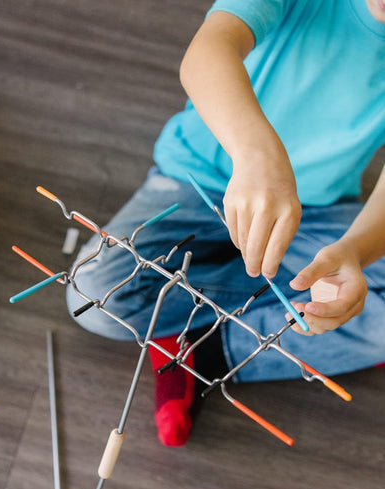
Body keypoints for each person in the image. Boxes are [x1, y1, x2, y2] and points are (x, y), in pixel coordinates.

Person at [66, 0, 385, 446]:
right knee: (96, 292)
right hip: (197, 177)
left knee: (359, 296)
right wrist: (257, 156)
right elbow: (208, 51)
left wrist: (354, 252)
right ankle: (245, 307)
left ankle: (204, 348)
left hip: (319, 209)